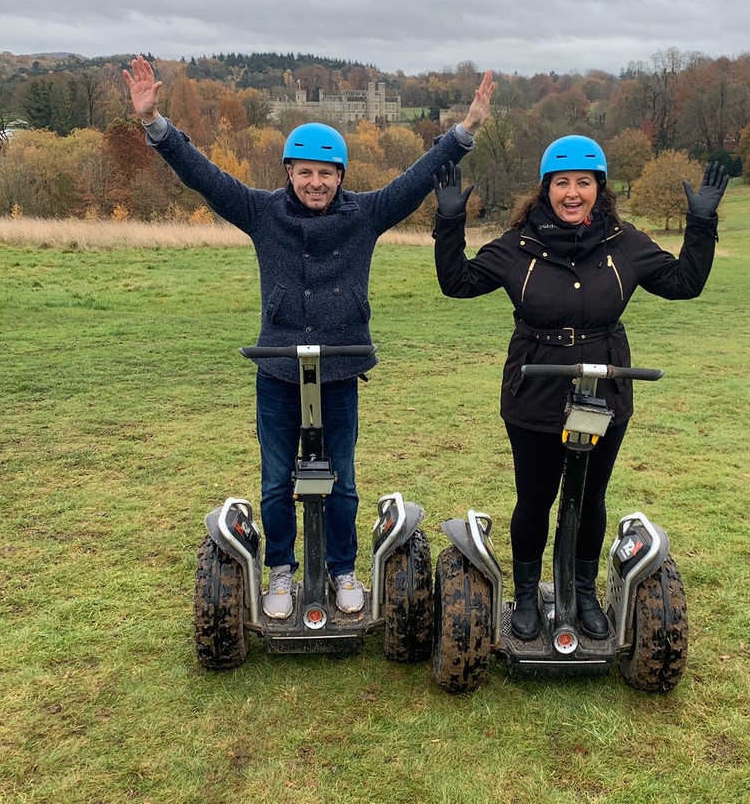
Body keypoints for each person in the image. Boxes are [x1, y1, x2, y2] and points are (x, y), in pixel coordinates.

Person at [124, 55, 494, 618]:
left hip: (340, 370)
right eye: (304, 172)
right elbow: (203, 175)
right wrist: (156, 126)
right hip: (277, 370)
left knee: (340, 482)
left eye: (326, 173)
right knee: (277, 482)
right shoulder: (260, 211)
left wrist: (464, 132)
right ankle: (280, 571)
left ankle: (343, 570)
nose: (315, 182)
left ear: (341, 176)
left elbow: (418, 178)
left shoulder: (365, 215)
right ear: (289, 174)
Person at [432, 136, 728, 640]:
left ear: (600, 188)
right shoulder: (517, 245)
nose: (573, 193)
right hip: (535, 391)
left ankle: (584, 592)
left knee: (590, 497)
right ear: (546, 189)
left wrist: (701, 225)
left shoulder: (624, 243)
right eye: (562, 183)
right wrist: (449, 222)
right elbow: (457, 281)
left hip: (605, 391)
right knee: (535, 497)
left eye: (583, 183)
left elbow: (684, 283)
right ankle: (526, 596)